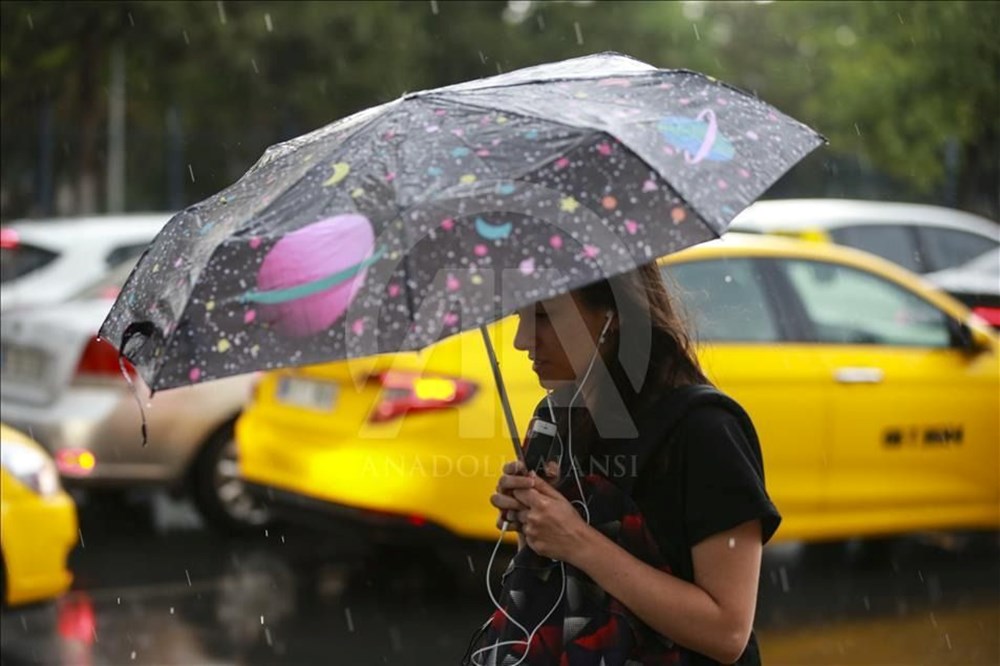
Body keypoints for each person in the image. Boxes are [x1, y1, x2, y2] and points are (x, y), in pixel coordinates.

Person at [486, 261, 781, 665]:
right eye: (519, 317)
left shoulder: (703, 429)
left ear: (613, 314)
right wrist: (534, 520)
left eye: (544, 317)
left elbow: (726, 633)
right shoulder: (556, 417)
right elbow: (557, 588)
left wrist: (577, 540)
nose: (523, 340)